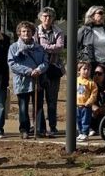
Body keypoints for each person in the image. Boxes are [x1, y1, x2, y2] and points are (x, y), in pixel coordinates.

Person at [8, 21, 49, 139]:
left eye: (28, 31)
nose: (26, 33)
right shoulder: (14, 47)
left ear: (33, 33)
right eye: (23, 31)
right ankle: (24, 130)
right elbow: (12, 64)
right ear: (19, 33)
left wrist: (39, 70)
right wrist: (29, 71)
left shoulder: (39, 48)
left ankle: (40, 129)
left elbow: (45, 62)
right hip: (22, 82)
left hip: (37, 81)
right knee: (23, 107)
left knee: (39, 106)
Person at [34, 8, 65, 137]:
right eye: (45, 16)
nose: (47, 18)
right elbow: (35, 47)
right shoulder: (35, 31)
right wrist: (51, 47)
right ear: (40, 18)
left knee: (52, 100)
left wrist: (44, 47)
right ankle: (40, 127)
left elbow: (60, 47)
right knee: (38, 100)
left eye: (50, 16)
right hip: (39, 69)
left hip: (54, 69)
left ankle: (53, 126)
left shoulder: (59, 31)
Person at [76, 63, 99, 142]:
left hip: (86, 106)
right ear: (79, 71)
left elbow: (94, 94)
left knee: (85, 120)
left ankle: (85, 133)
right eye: (84, 69)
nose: (86, 71)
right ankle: (80, 133)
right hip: (77, 105)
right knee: (78, 120)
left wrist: (89, 102)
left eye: (88, 69)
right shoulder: (76, 80)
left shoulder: (91, 83)